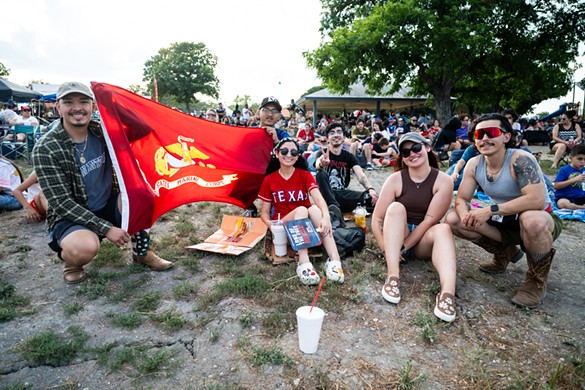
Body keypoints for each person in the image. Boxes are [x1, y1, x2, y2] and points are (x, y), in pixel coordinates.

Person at [32, 82, 173, 284]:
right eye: (69, 102)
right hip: (72, 215)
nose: (77, 107)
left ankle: (142, 253)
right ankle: (72, 262)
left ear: (93, 107)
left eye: (83, 101)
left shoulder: (101, 131)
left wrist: (112, 102)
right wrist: (106, 228)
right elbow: (62, 203)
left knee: (142, 197)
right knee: (84, 248)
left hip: (106, 203)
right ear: (58, 107)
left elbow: (143, 130)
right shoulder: (46, 148)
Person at [446, 113, 563, 309]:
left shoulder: (521, 159)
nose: (484, 138)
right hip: (505, 220)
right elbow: (462, 199)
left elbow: (536, 199)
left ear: (506, 137)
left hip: (539, 218)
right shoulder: (474, 164)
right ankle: (506, 253)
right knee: (454, 220)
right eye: (479, 134)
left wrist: (490, 210)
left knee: (531, 219)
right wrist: (465, 214)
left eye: (491, 132)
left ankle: (536, 281)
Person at [371, 132, 457, 322]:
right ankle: (393, 277)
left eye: (416, 148)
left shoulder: (443, 181)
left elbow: (429, 221)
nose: (412, 154)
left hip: (422, 239)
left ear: (427, 147)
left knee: (444, 229)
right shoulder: (395, 179)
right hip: (397, 233)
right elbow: (377, 218)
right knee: (395, 208)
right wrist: (386, 248)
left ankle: (447, 294)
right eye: (406, 151)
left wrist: (404, 247)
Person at [258, 138, 344, 285]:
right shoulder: (269, 180)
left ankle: (335, 260)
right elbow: (264, 212)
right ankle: (303, 263)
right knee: (302, 209)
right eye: (284, 151)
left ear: (298, 156)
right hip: (284, 227)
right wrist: (270, 224)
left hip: (306, 227)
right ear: (277, 154)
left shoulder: (304, 175)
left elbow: (318, 198)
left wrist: (326, 217)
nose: (288, 155)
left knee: (315, 210)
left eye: (293, 152)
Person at [315, 122, 379, 220]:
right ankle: (333, 208)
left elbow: (360, 175)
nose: (336, 135)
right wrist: (322, 164)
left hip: (343, 196)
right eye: (332, 133)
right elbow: (317, 164)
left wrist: (370, 189)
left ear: (344, 137)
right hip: (325, 198)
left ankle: (335, 211)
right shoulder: (323, 153)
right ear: (327, 138)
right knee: (321, 173)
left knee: (369, 197)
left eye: (339, 132)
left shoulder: (349, 156)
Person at [243, 97, 290, 218]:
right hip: (253, 176)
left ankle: (274, 204)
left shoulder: (282, 134)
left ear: (279, 115)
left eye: (274, 111)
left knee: (276, 215)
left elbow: (293, 156)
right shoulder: (249, 133)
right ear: (259, 112)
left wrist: (277, 141)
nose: (270, 114)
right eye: (266, 110)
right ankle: (248, 205)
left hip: (275, 177)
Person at [553, 144, 585, 210]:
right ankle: (581, 208)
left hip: (581, 196)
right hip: (566, 196)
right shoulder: (564, 170)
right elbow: (556, 186)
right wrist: (574, 179)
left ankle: (578, 207)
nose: (582, 162)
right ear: (571, 158)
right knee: (562, 203)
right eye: (579, 159)